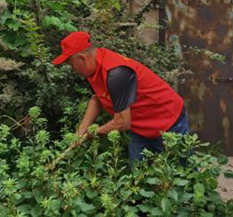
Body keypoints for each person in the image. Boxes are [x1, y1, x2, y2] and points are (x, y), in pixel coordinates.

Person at [52, 31, 190, 162]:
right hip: (140, 126)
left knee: (181, 171)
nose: (73, 70)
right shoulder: (93, 70)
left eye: (71, 65)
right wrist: (81, 131)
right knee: (138, 176)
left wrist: (93, 132)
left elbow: (122, 123)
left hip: (168, 121)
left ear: (82, 58)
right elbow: (97, 98)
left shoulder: (116, 73)